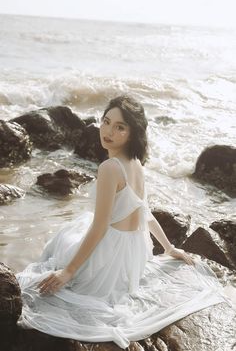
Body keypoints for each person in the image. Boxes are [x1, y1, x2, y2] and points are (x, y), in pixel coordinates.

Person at [16, 95, 233, 349]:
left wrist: (69, 272)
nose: (108, 131)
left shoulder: (110, 168)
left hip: (109, 258)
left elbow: (100, 227)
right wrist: (168, 248)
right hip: (134, 257)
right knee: (79, 225)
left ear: (133, 133)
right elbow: (145, 211)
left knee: (64, 237)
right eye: (106, 122)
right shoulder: (137, 164)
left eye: (120, 127)